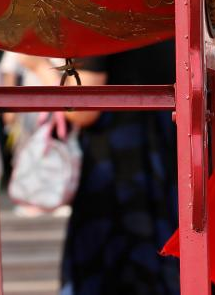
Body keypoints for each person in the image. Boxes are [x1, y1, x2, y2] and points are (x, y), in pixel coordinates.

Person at [60, 41, 180, 295]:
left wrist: (37, 68)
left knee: (116, 272)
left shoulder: (100, 14)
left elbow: (83, 111)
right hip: (165, 155)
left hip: (118, 165)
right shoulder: (165, 10)